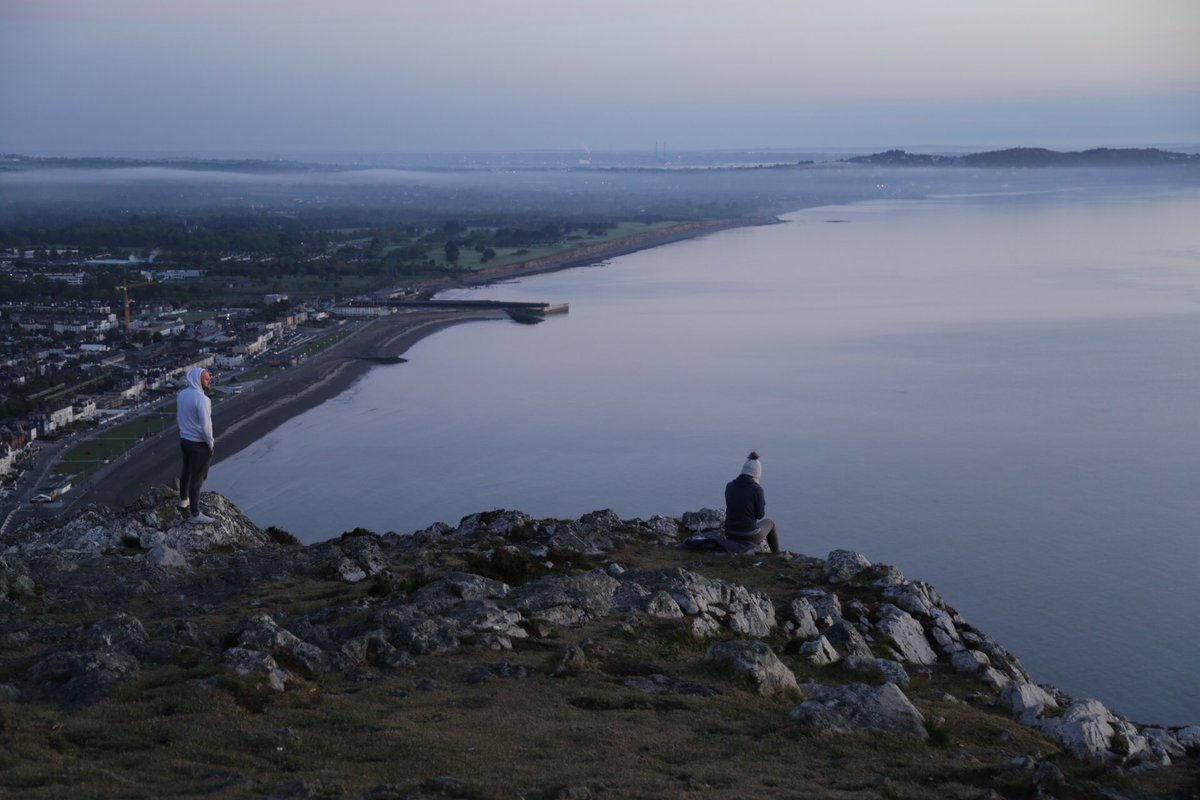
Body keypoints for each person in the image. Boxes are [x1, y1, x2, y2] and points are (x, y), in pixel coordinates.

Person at [176, 367, 216, 524]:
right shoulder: (202, 399)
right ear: (197, 380)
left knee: (186, 471)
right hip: (199, 444)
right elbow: (206, 426)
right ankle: (195, 514)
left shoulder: (182, 395)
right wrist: (210, 443)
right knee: (198, 478)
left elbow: (179, 417)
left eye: (209, 377)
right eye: (206, 379)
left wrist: (183, 434)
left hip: (185, 440)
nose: (209, 380)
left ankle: (183, 500)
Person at [724, 451, 780, 553]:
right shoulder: (757, 490)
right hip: (748, 535)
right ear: (756, 474)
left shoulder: (729, 486)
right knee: (770, 523)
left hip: (729, 533)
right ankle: (776, 555)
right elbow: (760, 515)